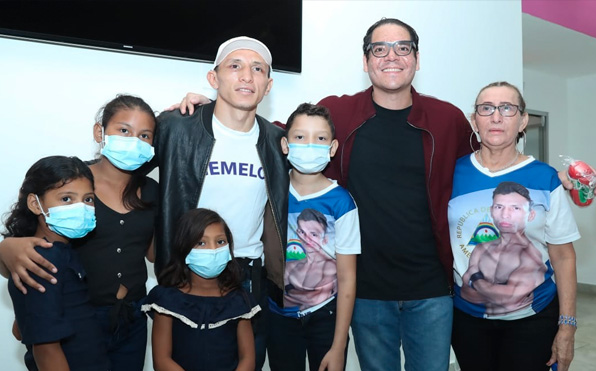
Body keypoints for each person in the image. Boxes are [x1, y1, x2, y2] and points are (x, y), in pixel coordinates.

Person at [170, 18, 474, 370]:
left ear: (417, 60)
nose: (391, 56)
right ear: (366, 61)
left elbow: (485, 168)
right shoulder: (341, 112)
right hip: (366, 290)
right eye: (380, 49)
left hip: (431, 289)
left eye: (403, 48)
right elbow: (281, 133)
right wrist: (211, 105)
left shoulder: (446, 119)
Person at [149, 36, 289, 370]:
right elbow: (120, 179)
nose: (246, 76)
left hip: (249, 278)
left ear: (267, 86)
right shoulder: (176, 127)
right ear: (214, 79)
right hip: (188, 273)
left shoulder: (276, 140)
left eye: (257, 69)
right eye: (235, 66)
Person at [0, 95, 158, 370]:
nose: (134, 141)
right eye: (124, 130)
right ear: (100, 131)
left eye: (144, 135)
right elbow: (33, 246)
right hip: (79, 316)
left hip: (132, 318)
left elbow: (156, 253)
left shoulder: (154, 191)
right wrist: (5, 248)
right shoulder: (73, 183)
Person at [448, 81, 579, 371]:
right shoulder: (451, 173)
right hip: (467, 321)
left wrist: (567, 326)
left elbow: (563, 256)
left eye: (507, 108)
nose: (496, 117)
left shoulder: (546, 179)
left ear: (522, 121)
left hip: (534, 320)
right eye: (486, 108)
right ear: (474, 120)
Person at [267, 103, 360, 371]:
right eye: (299, 137)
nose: (309, 145)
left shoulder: (342, 203)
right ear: (285, 145)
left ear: (332, 148)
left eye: (320, 138)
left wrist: (338, 345)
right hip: (279, 315)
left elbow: (347, 277)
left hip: (326, 317)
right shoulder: (272, 193)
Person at [4, 155, 110, 371]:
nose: (81, 207)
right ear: (35, 204)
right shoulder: (42, 259)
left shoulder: (64, 251)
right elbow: (46, 348)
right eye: (66, 199)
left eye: (88, 199)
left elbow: (22, 329)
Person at [143, 208, 259, 371]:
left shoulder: (239, 299)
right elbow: (162, 360)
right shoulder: (168, 299)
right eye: (201, 243)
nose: (212, 250)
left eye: (220, 242)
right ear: (184, 247)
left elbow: (247, 359)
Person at [460, 182, 547, 316]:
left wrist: (475, 279)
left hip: (522, 322)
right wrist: (499, 294)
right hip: (481, 322)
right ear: (491, 211)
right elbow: (465, 293)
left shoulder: (530, 256)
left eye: (515, 208)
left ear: (530, 215)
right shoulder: (481, 248)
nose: (505, 215)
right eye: (499, 207)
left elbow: (508, 299)